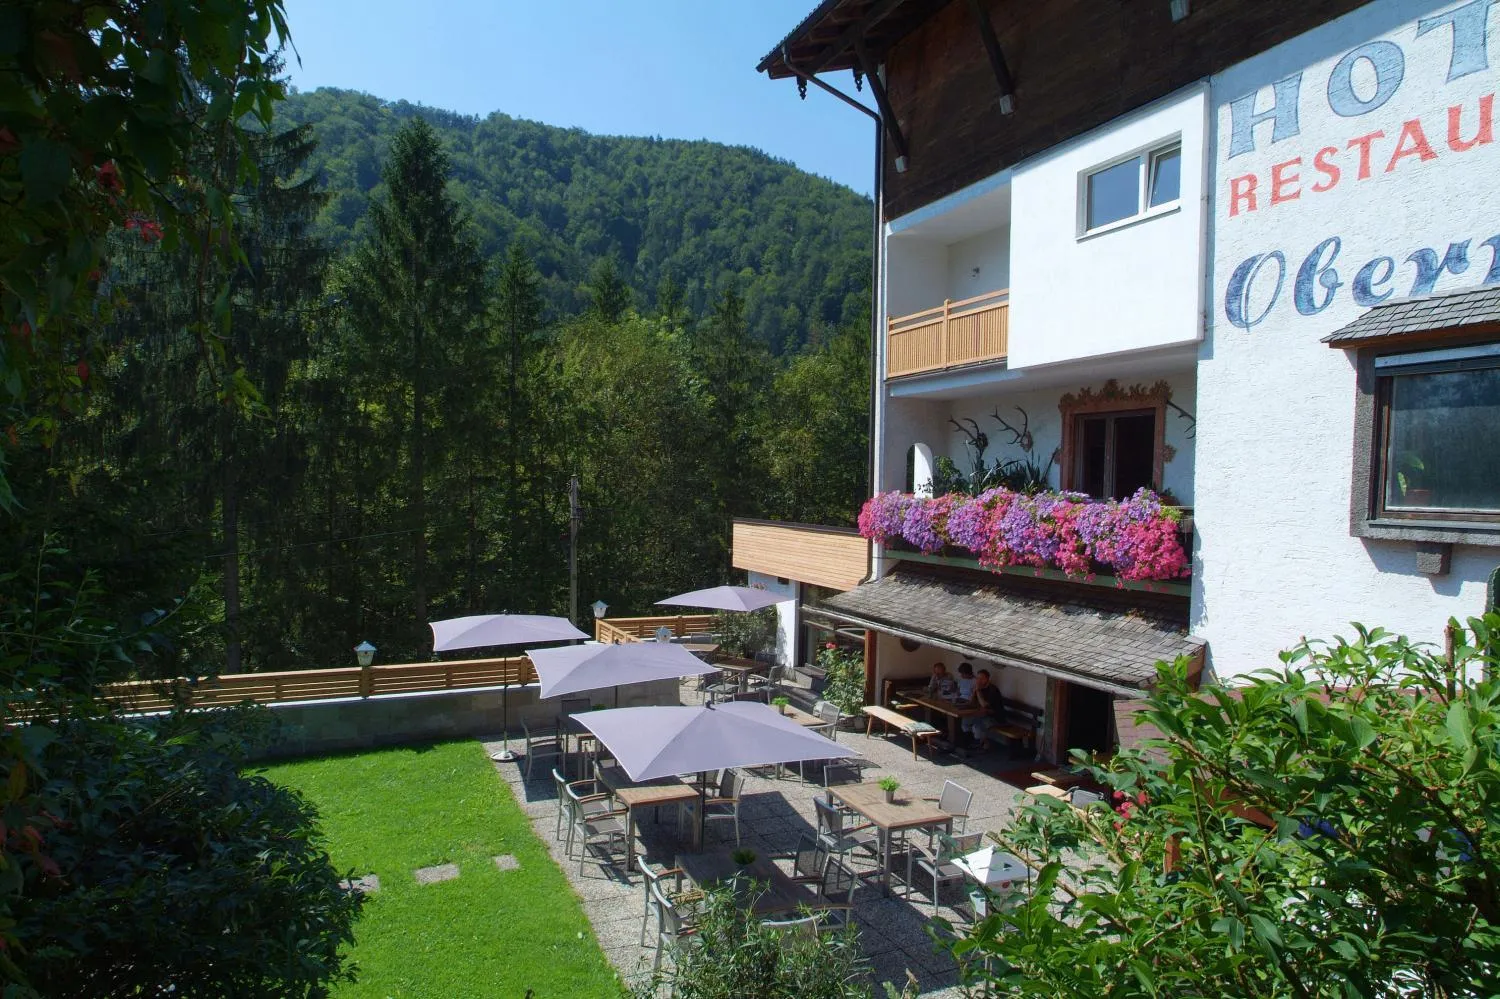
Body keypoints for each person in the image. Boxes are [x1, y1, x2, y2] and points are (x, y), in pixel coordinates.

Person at [962, 668, 1007, 750]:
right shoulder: (980, 688)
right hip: (983, 714)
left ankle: (983, 744)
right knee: (965, 721)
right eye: (978, 678)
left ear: (987, 679)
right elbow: (971, 703)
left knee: (977, 725)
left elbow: (984, 705)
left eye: (981, 679)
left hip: (995, 717)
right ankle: (971, 742)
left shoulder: (993, 689)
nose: (979, 681)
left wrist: (978, 691)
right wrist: (974, 692)